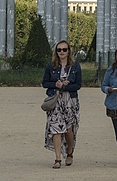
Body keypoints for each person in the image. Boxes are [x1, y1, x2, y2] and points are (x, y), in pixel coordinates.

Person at [42, 40, 82, 168]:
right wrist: (56, 85)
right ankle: (58, 158)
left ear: (69, 51)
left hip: (70, 100)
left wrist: (65, 86)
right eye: (59, 50)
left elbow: (78, 85)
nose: (62, 52)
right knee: (56, 129)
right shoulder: (51, 65)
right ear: (56, 52)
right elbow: (44, 83)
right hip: (56, 100)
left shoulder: (75, 66)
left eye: (64, 49)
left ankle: (69, 152)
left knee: (69, 130)